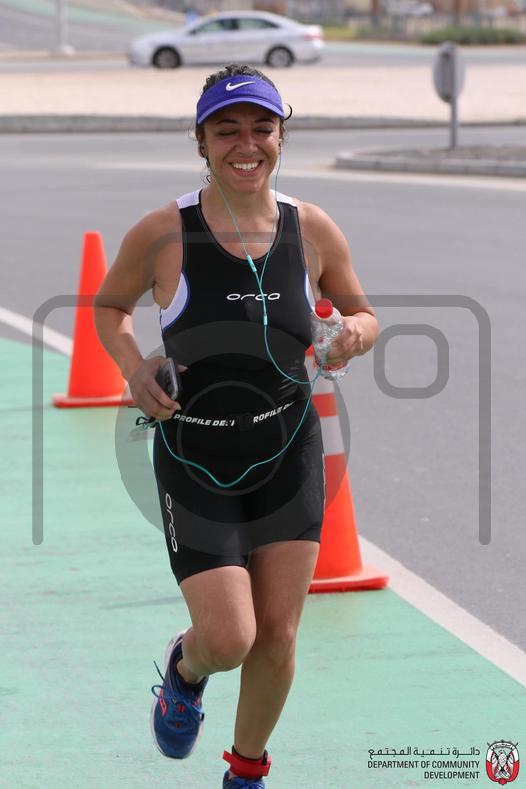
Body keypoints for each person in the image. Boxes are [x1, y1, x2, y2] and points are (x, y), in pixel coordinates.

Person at [94, 63, 379, 789]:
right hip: (195, 458)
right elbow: (110, 306)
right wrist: (133, 367)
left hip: (287, 449)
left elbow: (363, 312)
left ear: (282, 137)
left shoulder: (312, 228)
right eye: (227, 131)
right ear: (201, 142)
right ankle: (186, 669)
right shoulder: (164, 232)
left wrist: (353, 332)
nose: (246, 144)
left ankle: (246, 773)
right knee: (229, 638)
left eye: (262, 128)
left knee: (278, 633)